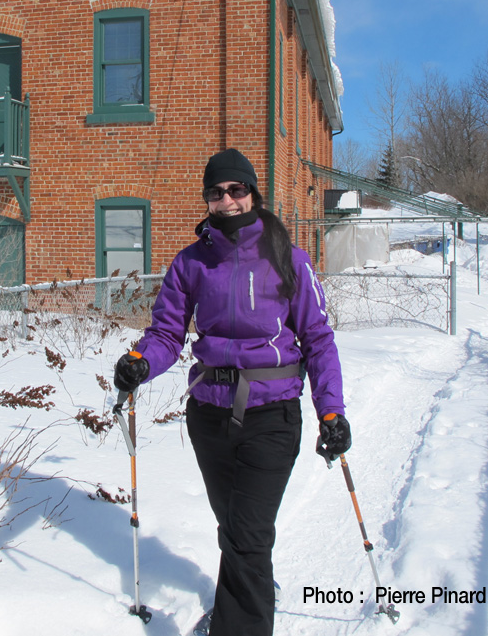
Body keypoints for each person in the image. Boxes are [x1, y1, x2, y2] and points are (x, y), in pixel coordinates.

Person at [113, 148, 350, 636]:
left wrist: (331, 412)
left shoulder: (288, 259)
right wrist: (141, 363)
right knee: (237, 529)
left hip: (272, 414)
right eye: (217, 192)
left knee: (246, 534)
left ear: (253, 194)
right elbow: (166, 335)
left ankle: (234, 623)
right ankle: (255, 587)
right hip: (210, 416)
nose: (228, 199)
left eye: (237, 189)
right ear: (207, 200)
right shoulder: (191, 264)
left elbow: (319, 340)